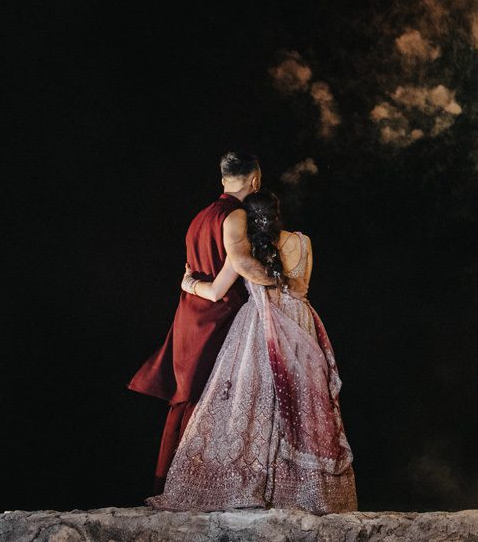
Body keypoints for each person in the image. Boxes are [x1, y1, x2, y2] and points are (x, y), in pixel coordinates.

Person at [147, 189, 357, 513]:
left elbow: (216, 291)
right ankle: (307, 492)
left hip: (258, 326)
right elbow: (301, 289)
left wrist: (188, 284)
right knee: (301, 402)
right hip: (300, 322)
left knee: (255, 405)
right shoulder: (303, 242)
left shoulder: (245, 252)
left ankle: (255, 486)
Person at [129, 152, 278, 493]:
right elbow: (240, 263)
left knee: (191, 400)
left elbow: (196, 269)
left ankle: (169, 483)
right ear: (255, 181)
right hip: (216, 319)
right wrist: (282, 284)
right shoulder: (235, 215)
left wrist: (189, 285)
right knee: (212, 401)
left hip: (190, 319)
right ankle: (193, 487)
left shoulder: (199, 217)